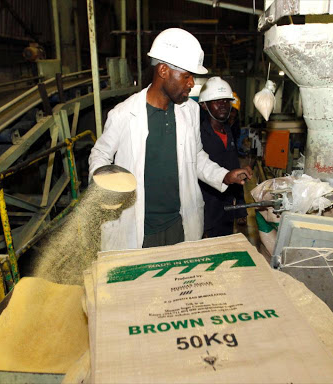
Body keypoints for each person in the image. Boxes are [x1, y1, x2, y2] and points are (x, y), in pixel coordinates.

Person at [88, 28, 252, 250]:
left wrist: (224, 176)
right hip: (139, 227)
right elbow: (100, 154)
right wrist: (105, 184)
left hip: (179, 224)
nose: (192, 83)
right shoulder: (124, 114)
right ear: (164, 71)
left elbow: (196, 157)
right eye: (186, 76)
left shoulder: (190, 112)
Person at [198, 77, 250, 237]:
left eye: (226, 101)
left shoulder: (228, 131)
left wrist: (240, 206)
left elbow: (233, 168)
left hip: (227, 212)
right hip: (205, 215)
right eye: (216, 101)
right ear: (204, 106)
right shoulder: (198, 135)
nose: (223, 105)